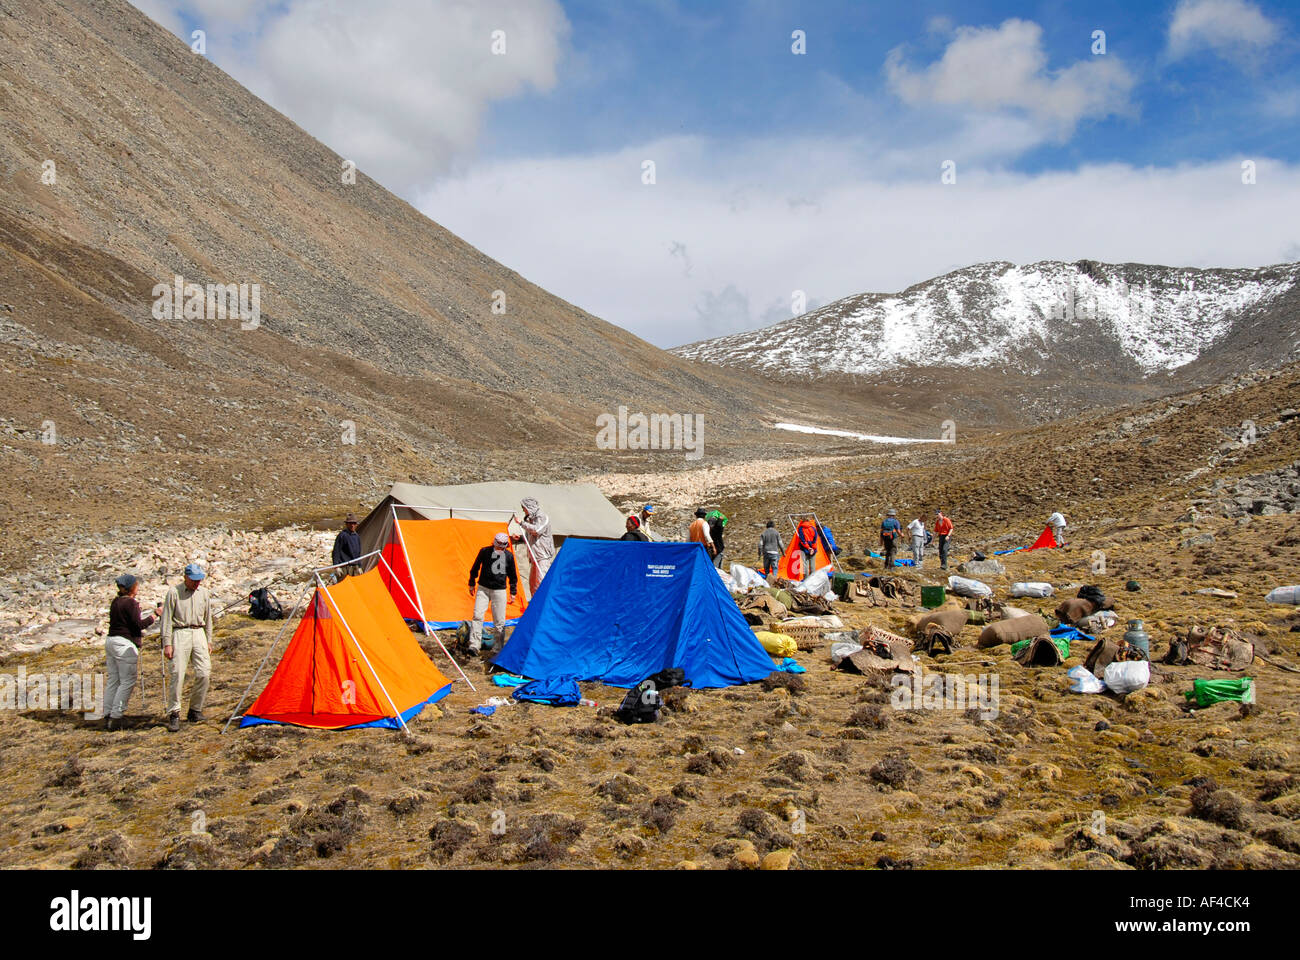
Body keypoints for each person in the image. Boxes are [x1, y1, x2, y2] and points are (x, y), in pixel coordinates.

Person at [161, 563, 213, 732]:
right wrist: (167, 643)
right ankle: (174, 713)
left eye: (199, 580)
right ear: (186, 577)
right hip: (180, 633)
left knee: (204, 672)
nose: (196, 583)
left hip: (199, 633)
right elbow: (166, 619)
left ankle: (195, 709)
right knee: (177, 673)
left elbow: (209, 618)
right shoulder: (173, 593)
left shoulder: (204, 594)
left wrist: (209, 640)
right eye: (193, 580)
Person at [104, 574, 161, 731]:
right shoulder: (131, 603)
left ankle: (108, 713)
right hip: (124, 644)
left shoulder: (116, 602)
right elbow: (138, 625)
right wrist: (155, 615)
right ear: (132, 588)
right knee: (128, 680)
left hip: (111, 641)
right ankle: (117, 717)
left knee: (114, 679)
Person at [468, 532, 517, 656]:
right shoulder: (485, 552)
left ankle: (497, 649)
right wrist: (472, 582)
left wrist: (513, 591)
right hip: (483, 588)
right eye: (498, 545)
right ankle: (474, 645)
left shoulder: (509, 556)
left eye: (503, 546)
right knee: (477, 616)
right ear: (494, 543)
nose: (500, 548)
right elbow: (475, 567)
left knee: (499, 620)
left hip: (499, 590)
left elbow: (512, 575)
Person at [517, 497, 555, 596]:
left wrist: (522, 523)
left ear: (529, 507)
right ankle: (534, 606)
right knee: (533, 584)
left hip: (543, 556)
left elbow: (537, 530)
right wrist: (520, 538)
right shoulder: (530, 519)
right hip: (534, 556)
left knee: (541, 582)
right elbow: (531, 537)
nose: (523, 510)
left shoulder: (542, 517)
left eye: (523, 508)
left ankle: (543, 605)